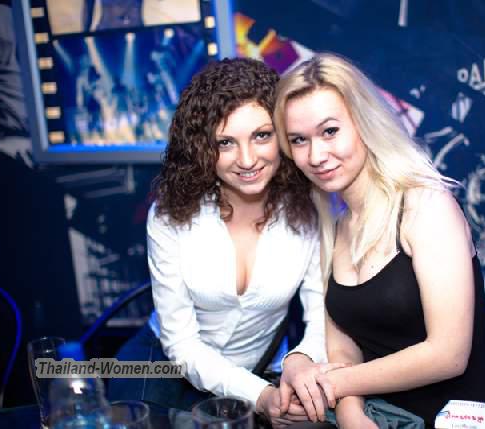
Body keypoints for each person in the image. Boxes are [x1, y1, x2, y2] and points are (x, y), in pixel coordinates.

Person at [109, 58, 340, 427]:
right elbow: (181, 344)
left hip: (263, 370)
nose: (247, 160)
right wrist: (260, 395)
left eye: (261, 136)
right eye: (226, 142)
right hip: (164, 366)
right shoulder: (170, 215)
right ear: (202, 147)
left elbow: (320, 319)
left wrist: (302, 361)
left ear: (282, 134)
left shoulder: (311, 209)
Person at [273, 53, 485, 428]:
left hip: (450, 418)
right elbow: (342, 347)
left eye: (330, 131)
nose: (316, 155)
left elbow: (449, 354)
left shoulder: (426, 206)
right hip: (377, 413)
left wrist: (334, 385)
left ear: (364, 122)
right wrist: (350, 412)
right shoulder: (335, 227)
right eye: (299, 140)